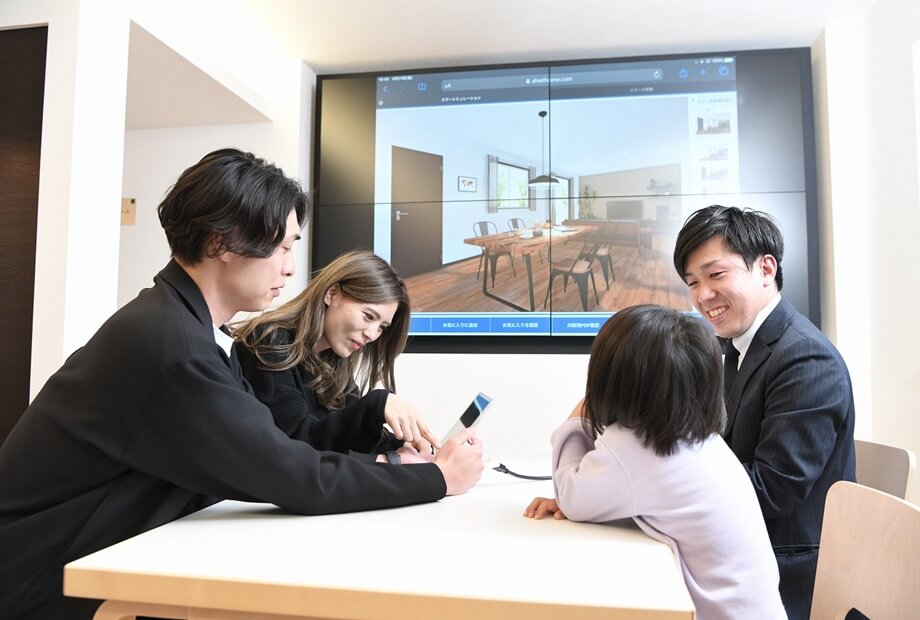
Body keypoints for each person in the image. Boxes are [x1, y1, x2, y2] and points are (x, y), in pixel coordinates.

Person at [0, 148, 484, 620]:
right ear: (222, 243)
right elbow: (290, 473)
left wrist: (394, 463)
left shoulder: (194, 332)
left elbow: (279, 452)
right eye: (283, 248)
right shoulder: (173, 347)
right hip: (38, 578)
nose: (290, 267)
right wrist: (437, 478)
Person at [524, 304, 785, 620]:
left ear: (610, 378)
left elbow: (570, 495)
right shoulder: (699, 437)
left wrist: (580, 415)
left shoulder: (636, 447)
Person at [672, 205, 856, 620]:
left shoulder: (805, 358)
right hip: (740, 548)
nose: (702, 295)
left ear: (766, 269)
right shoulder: (738, 346)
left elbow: (772, 490)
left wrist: (653, 491)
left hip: (787, 573)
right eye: (693, 282)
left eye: (716, 275)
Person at [233, 249, 436, 464]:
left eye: (382, 327)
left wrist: (404, 446)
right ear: (332, 294)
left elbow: (344, 436)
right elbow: (297, 445)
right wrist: (376, 405)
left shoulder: (333, 362)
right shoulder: (269, 342)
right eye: (368, 316)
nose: (372, 334)